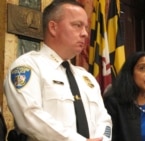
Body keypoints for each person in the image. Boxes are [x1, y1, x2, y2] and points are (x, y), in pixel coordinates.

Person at [4, 0, 112, 141]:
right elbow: (29, 116)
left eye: (85, 27)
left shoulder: (87, 78)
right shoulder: (28, 66)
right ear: (53, 27)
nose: (85, 33)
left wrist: (103, 139)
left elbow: (105, 121)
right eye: (77, 25)